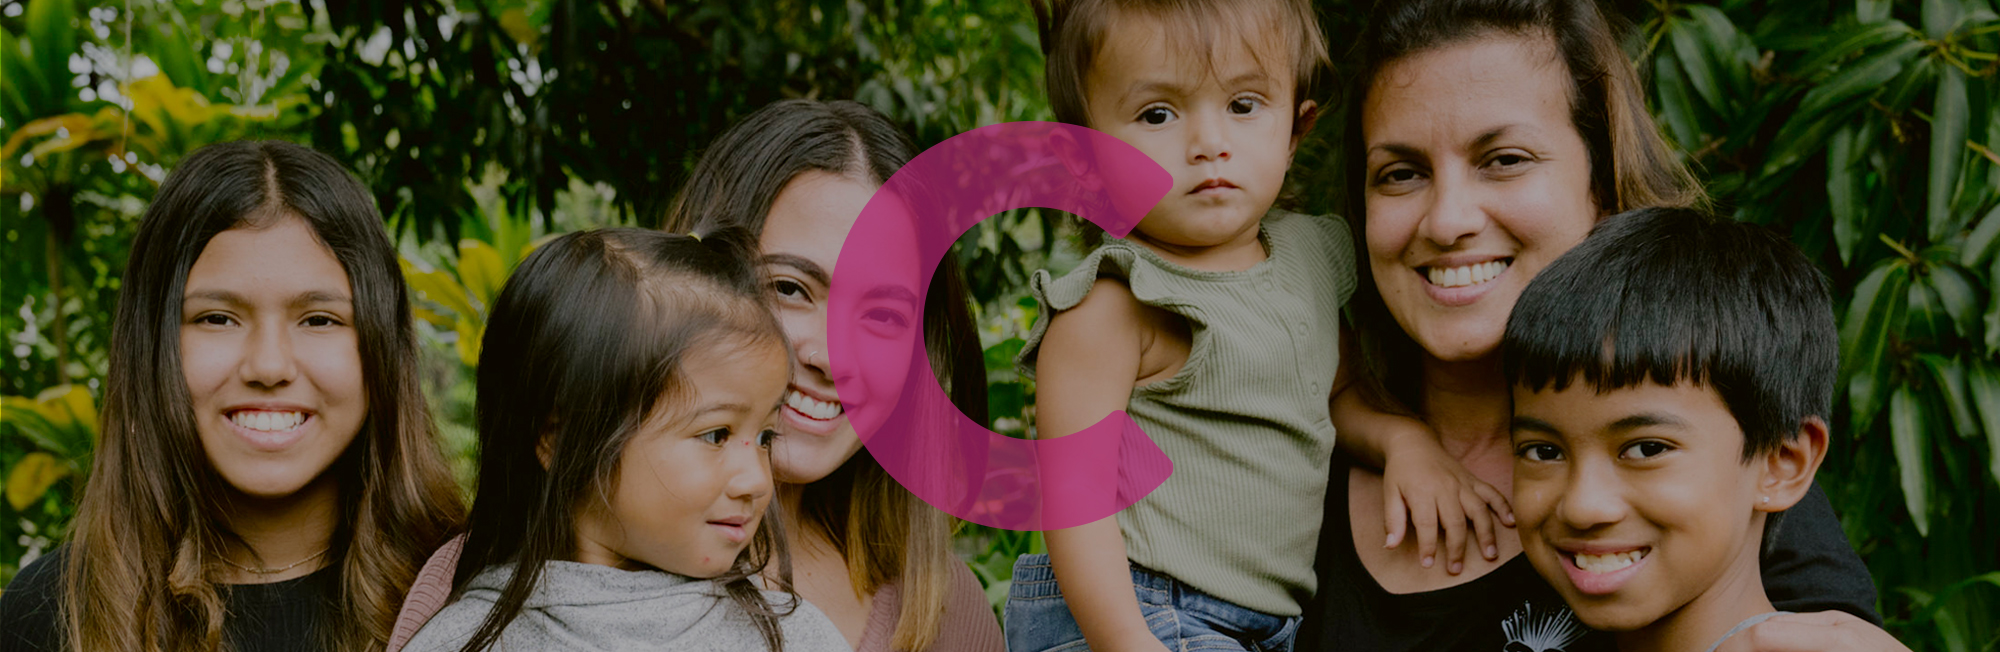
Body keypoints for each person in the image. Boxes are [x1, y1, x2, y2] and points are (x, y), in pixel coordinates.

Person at [1303, 1, 1889, 650]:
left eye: (1504, 159)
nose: (1446, 221)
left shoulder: (1712, 459)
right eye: (1401, 173)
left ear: (1603, 184)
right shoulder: (1284, 441)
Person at [1003, 0, 1511, 648]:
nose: (1209, 143)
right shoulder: (1113, 305)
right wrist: (1127, 642)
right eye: (1158, 114)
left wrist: (1401, 442)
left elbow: (1338, 392)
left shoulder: (1307, 260)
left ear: (1296, 130)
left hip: (1259, 626)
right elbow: (1076, 501)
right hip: (1138, 608)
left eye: (1243, 105)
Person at [0, 140, 464, 652]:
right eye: (217, 318)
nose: (268, 366)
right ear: (152, 347)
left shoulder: (478, 599)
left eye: (318, 319)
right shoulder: (49, 612)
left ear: (379, 348)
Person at [399, 228, 848, 652]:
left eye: (766, 436)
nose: (756, 481)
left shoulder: (796, 638)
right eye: (715, 435)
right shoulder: (459, 640)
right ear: (560, 439)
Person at [661, 99, 1005, 652]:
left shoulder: (944, 610)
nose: (832, 356)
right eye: (790, 289)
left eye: (882, 316)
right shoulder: (546, 570)